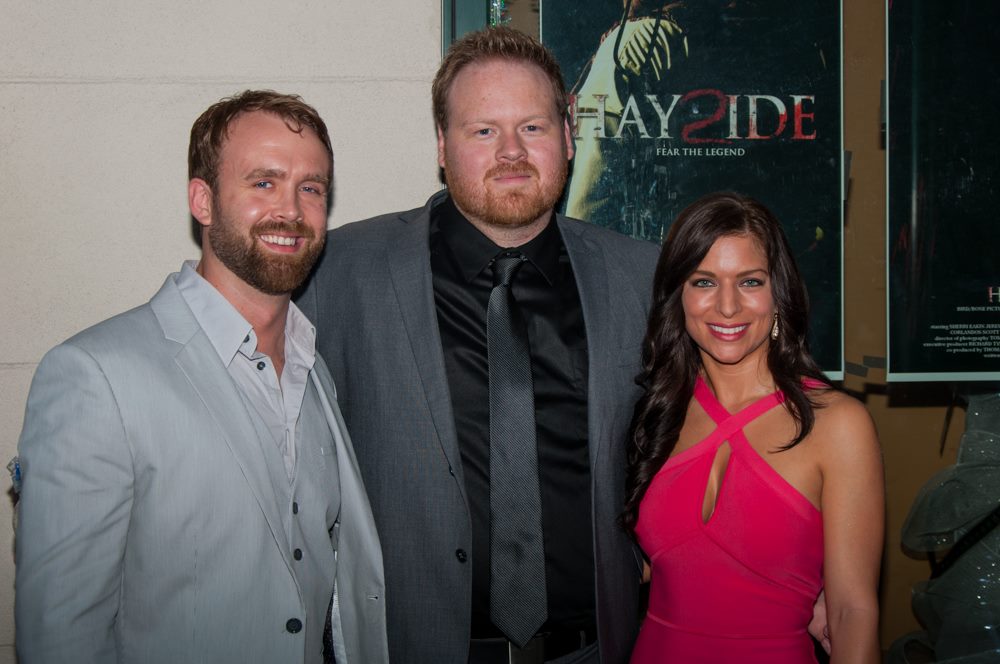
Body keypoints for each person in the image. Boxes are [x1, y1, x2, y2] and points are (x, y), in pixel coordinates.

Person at [296, 27, 661, 664]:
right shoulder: (341, 271)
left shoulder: (641, 279)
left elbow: (716, 425)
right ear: (442, 145)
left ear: (569, 136)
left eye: (534, 127)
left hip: (595, 650)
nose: (512, 152)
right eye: (483, 130)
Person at [14, 90, 388, 664]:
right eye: (263, 182)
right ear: (203, 200)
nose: (290, 210)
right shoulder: (95, 377)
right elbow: (60, 636)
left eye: (310, 188)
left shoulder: (315, 371)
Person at [623, 191, 883, 663]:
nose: (727, 307)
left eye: (749, 282)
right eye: (704, 281)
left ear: (777, 292)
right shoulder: (654, 412)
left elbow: (852, 610)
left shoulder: (837, 424)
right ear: (678, 296)